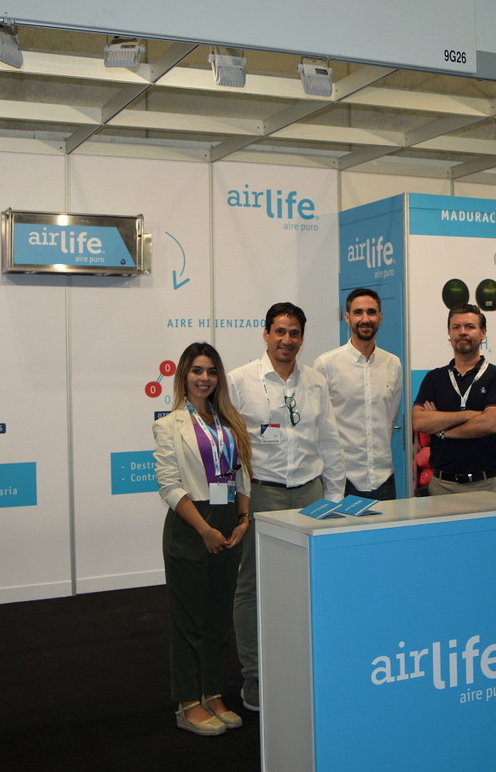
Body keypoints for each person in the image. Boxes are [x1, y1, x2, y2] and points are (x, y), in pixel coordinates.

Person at [228, 301, 345, 712]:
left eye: (294, 333)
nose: (286, 340)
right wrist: (239, 501)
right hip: (262, 494)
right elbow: (231, 446)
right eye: (279, 331)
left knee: (311, 581)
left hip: (310, 495)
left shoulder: (315, 381)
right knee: (252, 585)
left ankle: (305, 661)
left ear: (302, 338)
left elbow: (329, 439)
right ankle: (255, 673)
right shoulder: (239, 381)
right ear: (265, 334)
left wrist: (334, 497)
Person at [153, 342, 253, 737]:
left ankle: (212, 693)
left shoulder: (230, 422)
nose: (204, 378)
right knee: (188, 621)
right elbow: (169, 486)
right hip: (191, 526)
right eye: (197, 370)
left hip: (228, 521)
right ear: (184, 375)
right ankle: (187, 702)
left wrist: (243, 519)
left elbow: (242, 476)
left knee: (217, 617)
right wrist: (205, 530)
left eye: (211, 371)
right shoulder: (169, 425)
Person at [412, 303, 496, 494]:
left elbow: (491, 423)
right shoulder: (434, 378)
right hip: (442, 486)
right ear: (449, 334)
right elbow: (419, 421)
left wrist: (442, 431)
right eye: (456, 327)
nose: (462, 332)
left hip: (487, 486)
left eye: (470, 327)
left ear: (483, 333)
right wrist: (469, 415)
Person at [314, 288, 403, 502]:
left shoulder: (393, 363)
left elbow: (389, 418)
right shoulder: (325, 365)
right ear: (347, 317)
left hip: (383, 479)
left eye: (371, 312)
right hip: (341, 481)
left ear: (380, 317)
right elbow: (317, 425)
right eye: (358, 312)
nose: (365, 319)